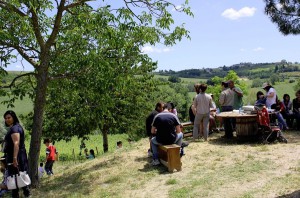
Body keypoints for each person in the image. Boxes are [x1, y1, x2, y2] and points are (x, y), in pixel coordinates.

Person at [3, 110, 30, 197]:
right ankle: (26, 194)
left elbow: (16, 143)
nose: (7, 119)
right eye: (6, 118)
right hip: (17, 155)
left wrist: (14, 158)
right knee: (18, 176)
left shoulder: (15, 128)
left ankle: (23, 194)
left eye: (9, 117)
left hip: (16, 156)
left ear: (13, 117)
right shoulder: (15, 127)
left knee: (15, 177)